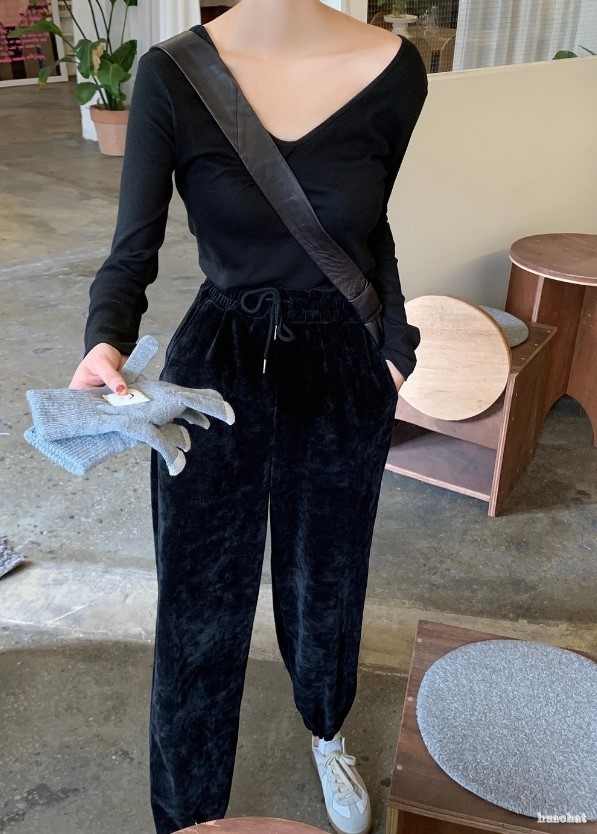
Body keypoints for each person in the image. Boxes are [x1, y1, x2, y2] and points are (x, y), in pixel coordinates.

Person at [69, 1, 428, 832]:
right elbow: (132, 249)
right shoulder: (172, 74)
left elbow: (371, 227)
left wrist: (393, 345)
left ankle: (326, 728)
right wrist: (104, 340)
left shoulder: (394, 70)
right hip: (217, 364)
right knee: (198, 600)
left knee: (327, 576)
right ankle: (189, 813)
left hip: (341, 367)